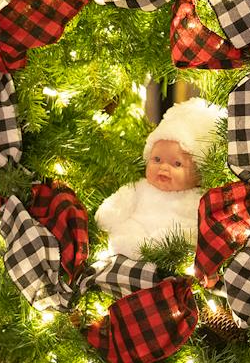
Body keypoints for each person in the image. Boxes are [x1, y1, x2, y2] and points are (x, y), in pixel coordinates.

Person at [95, 98, 223, 260]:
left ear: (198, 174)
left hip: (168, 246)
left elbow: (195, 228)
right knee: (125, 233)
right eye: (157, 159)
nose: (163, 168)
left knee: (173, 240)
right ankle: (128, 248)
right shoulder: (140, 188)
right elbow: (119, 204)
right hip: (133, 235)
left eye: (177, 164)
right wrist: (108, 215)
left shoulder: (196, 200)